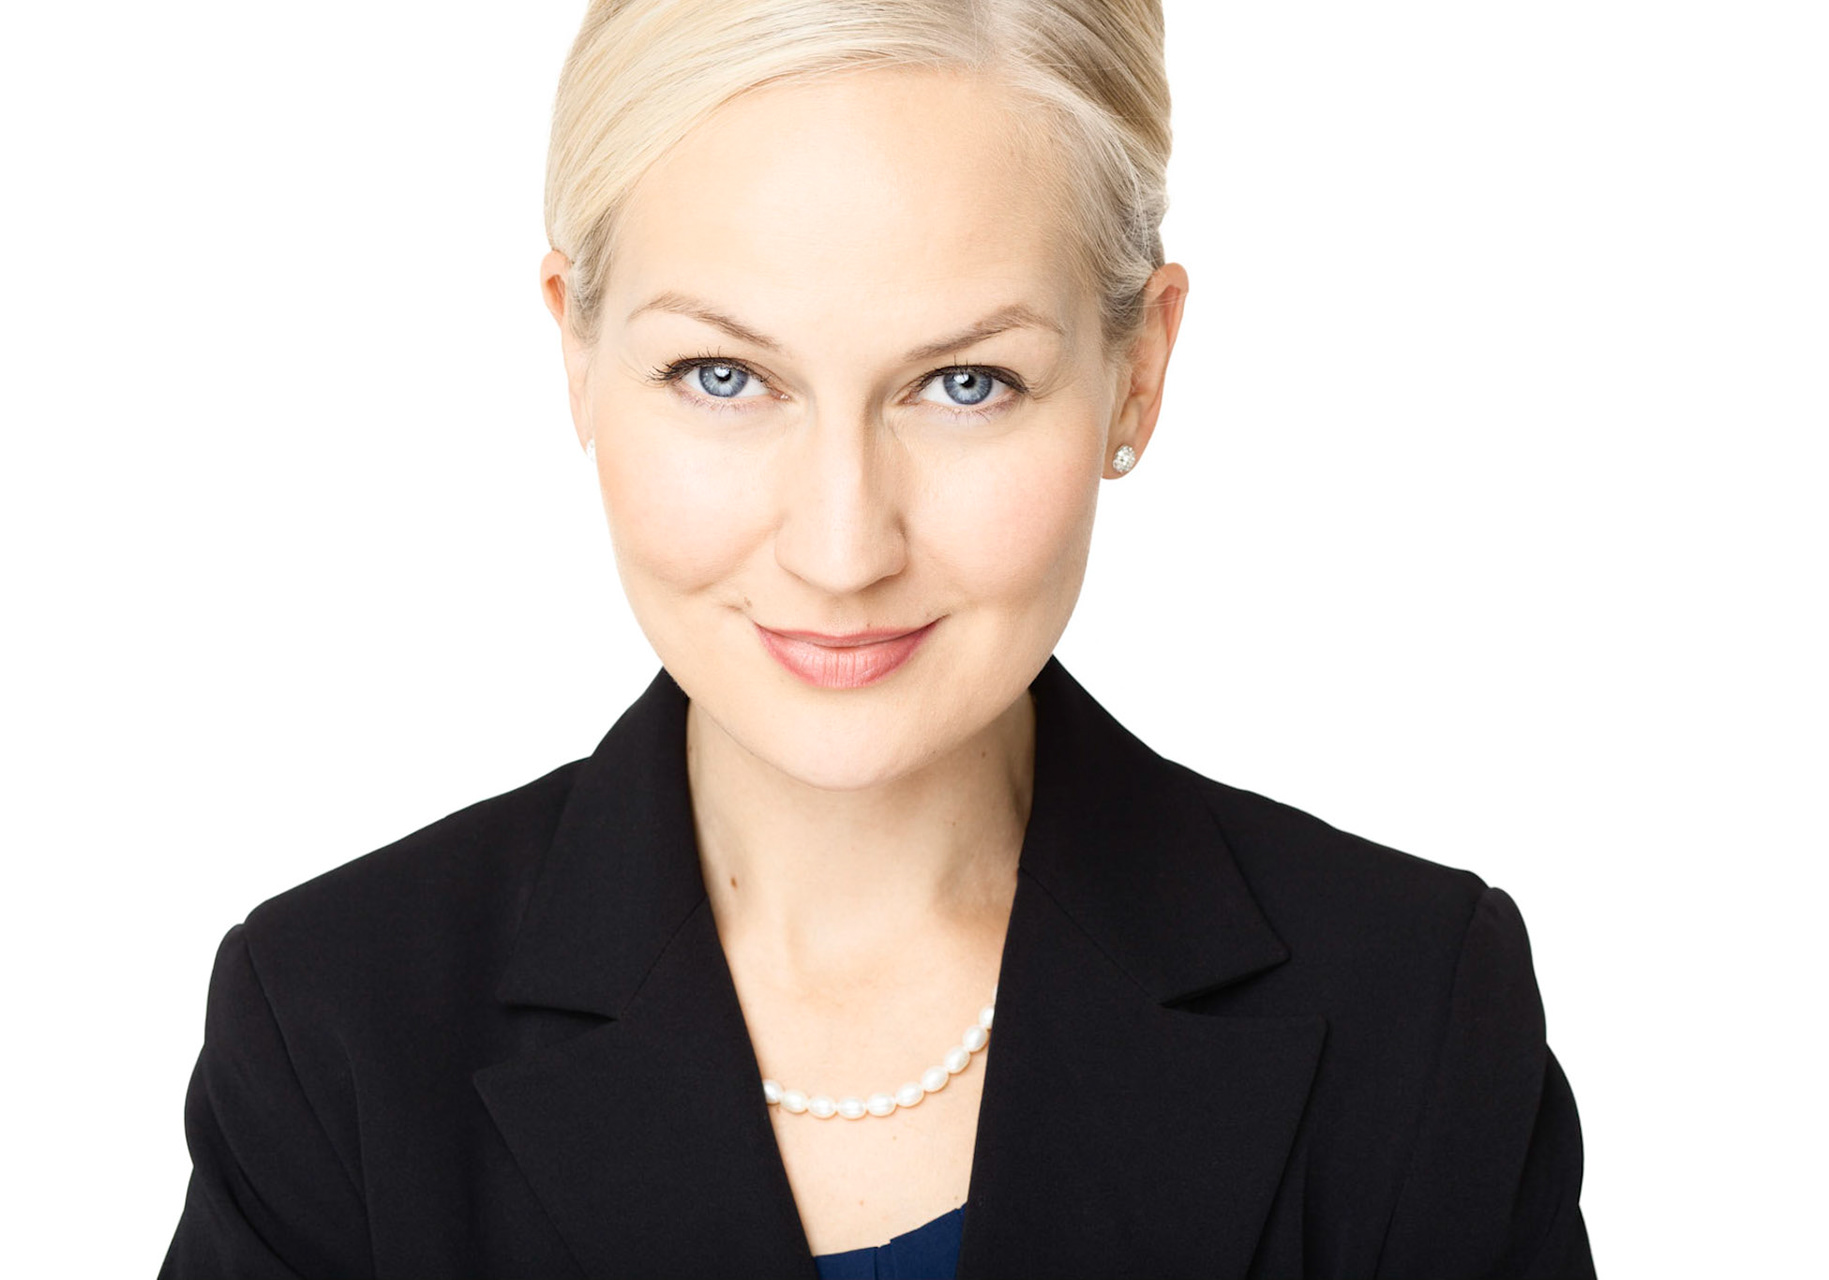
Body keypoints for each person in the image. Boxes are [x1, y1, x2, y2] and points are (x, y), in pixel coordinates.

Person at [160, 1, 1595, 1276]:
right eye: (722, 375)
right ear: (577, 354)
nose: (843, 550)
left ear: (1139, 373)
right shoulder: (335, 1034)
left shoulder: (1416, 1015)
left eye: (965, 383)